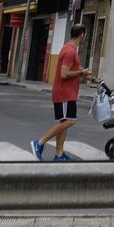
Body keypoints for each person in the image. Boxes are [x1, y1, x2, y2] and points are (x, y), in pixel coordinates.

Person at [31, 25, 93, 161]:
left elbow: (76, 68)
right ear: (82, 35)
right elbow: (64, 74)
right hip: (65, 93)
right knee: (70, 120)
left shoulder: (69, 49)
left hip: (65, 92)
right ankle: (40, 142)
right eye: (86, 34)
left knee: (63, 123)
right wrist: (81, 73)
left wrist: (91, 78)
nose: (85, 37)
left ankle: (59, 154)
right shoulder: (70, 51)